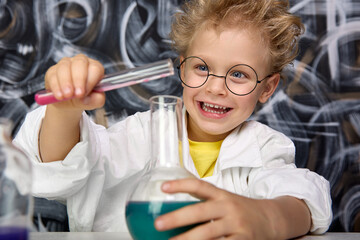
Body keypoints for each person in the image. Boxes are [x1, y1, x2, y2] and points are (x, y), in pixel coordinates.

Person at [14, 0, 332, 239]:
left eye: (238, 74)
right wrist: (64, 110)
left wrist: (270, 218)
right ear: (182, 67)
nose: (215, 87)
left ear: (268, 87)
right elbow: (58, 168)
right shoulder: (137, 134)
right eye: (202, 67)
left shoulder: (264, 147)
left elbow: (303, 197)